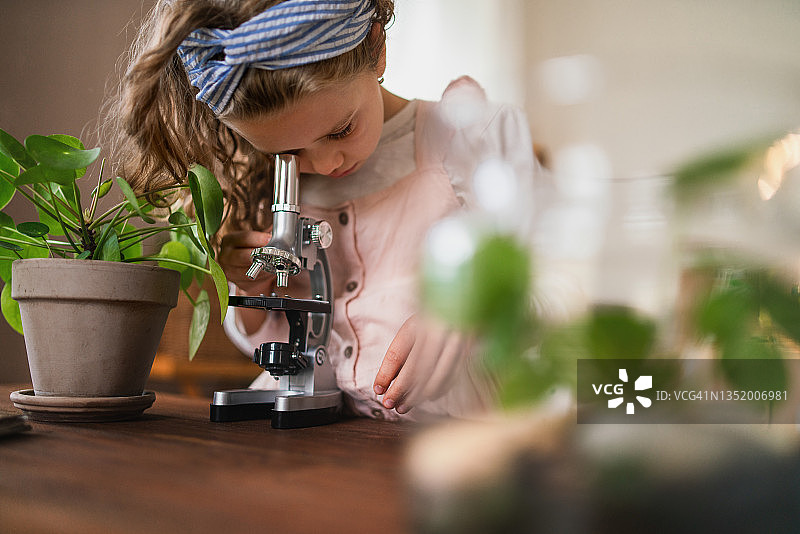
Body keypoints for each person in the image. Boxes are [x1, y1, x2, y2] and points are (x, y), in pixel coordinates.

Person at [108, 0, 541, 420]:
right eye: (289, 152)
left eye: (341, 130)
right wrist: (250, 291)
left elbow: (556, 289)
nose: (326, 163)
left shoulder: (473, 136)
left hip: (463, 434)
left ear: (376, 47)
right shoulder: (260, 181)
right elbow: (268, 341)